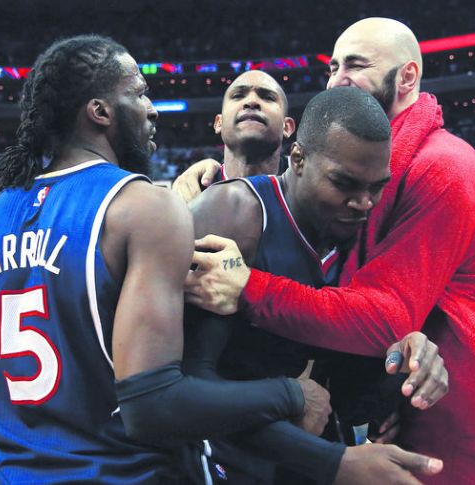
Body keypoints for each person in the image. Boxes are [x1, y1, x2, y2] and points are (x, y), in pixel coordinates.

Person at [177, 17, 475, 485]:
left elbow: (384, 318)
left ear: (408, 77)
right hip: (387, 427)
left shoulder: (444, 166)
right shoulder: (323, 191)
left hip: (471, 438)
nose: (337, 79)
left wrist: (247, 287)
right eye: (333, 67)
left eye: (355, 64)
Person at [0, 35, 337, 484]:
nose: (153, 109)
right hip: (113, 471)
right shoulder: (140, 206)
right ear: (100, 112)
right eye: (141, 94)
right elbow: (155, 405)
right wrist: (291, 395)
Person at [185, 87, 447, 484]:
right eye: (344, 184)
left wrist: (408, 353)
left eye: (376, 187)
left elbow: (344, 354)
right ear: (299, 159)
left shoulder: (363, 231)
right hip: (228, 467)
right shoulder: (234, 213)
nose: (363, 202)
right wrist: (312, 434)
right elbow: (179, 389)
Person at [171, 69, 294, 204]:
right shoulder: (194, 192)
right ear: (219, 123)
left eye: (267, 97)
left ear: (287, 127)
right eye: (238, 95)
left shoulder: (307, 186)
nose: (251, 101)